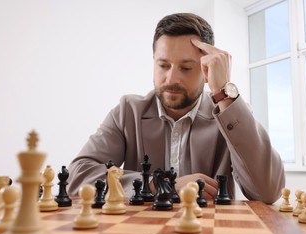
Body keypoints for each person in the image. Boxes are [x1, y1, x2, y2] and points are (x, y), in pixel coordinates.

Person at [67, 13, 285, 204]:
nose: (171, 78)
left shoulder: (230, 112)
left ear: (206, 68)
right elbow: (77, 175)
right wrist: (162, 185)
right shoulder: (127, 111)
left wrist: (224, 92)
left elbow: (268, 192)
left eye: (186, 67)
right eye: (163, 65)